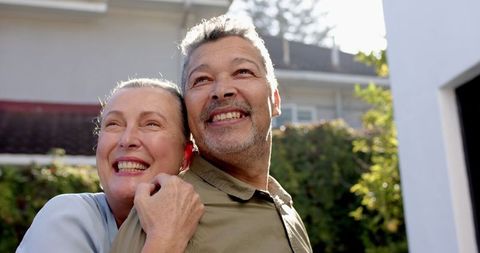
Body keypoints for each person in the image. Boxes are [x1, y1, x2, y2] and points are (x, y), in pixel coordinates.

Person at [111, 15, 313, 253]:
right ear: (187, 110)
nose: (222, 90)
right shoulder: (162, 213)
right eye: (202, 79)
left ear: (275, 100)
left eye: (242, 72)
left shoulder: (284, 206)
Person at [16, 78, 204, 253]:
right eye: (113, 124)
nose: (127, 139)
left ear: (186, 155)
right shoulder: (68, 217)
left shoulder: (213, 225)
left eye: (151, 124)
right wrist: (165, 241)